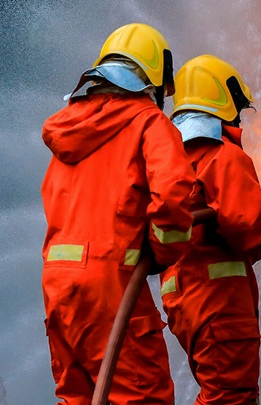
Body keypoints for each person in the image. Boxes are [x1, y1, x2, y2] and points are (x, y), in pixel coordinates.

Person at [41, 23, 195, 404]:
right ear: (152, 80)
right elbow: (175, 195)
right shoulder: (149, 122)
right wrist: (161, 252)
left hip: (57, 286)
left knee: (77, 396)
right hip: (111, 282)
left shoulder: (69, 126)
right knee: (142, 396)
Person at [159, 54, 261, 405]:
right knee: (231, 397)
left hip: (182, 298)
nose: (238, 117)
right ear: (222, 100)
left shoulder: (170, 158)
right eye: (236, 107)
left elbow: (206, 231)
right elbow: (243, 223)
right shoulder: (222, 155)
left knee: (219, 392)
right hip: (218, 300)